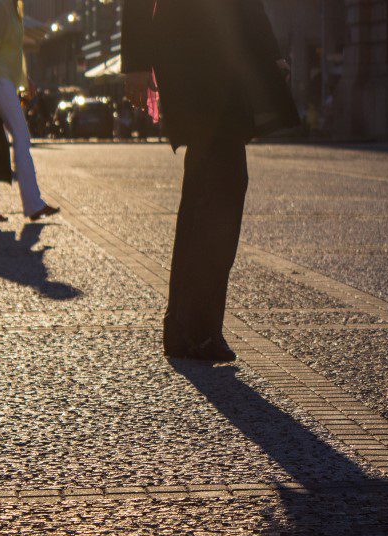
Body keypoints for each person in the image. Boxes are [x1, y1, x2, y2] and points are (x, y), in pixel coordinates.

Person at [122, 0, 299, 362]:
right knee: (217, 188)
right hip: (189, 57)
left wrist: (269, 51)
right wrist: (136, 63)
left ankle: (189, 327)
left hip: (228, 58)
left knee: (216, 188)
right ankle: (196, 329)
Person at [0, 0, 58, 225]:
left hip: (6, 82)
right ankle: (33, 204)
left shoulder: (14, 9)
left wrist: (26, 80)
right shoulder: (1, 6)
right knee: (22, 137)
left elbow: (14, 52)